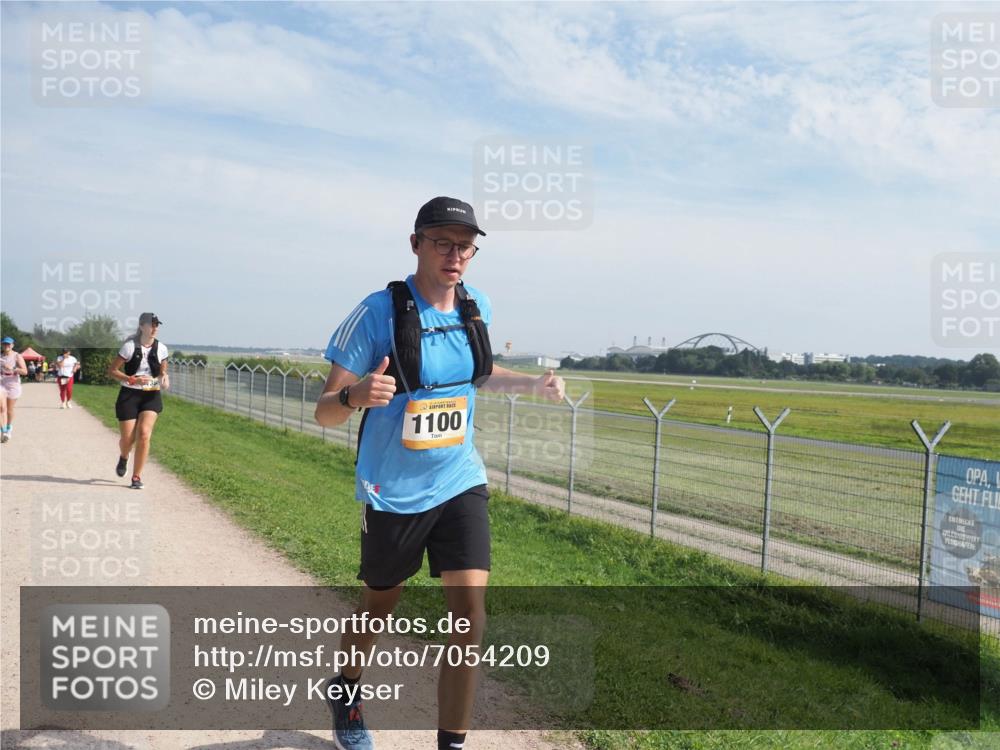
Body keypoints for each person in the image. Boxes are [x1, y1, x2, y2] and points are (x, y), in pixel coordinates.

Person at [315, 197, 565, 750]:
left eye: (466, 246)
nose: (456, 255)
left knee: (469, 617)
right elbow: (326, 408)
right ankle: (347, 688)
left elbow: (477, 372)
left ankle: (450, 743)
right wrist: (356, 396)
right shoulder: (376, 313)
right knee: (381, 602)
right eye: (443, 242)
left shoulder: (478, 308)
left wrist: (530, 385)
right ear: (416, 245)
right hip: (393, 488)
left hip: (459, 477)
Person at [106, 313, 170, 489]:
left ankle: (136, 477)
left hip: (151, 395)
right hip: (129, 395)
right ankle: (124, 457)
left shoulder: (162, 349)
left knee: (143, 434)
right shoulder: (129, 347)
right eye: (152, 325)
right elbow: (112, 371)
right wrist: (132, 379)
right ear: (142, 326)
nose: (155, 328)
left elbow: (163, 371)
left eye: (157, 325)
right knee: (127, 439)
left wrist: (164, 378)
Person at [0, 337, 27, 442]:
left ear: (12, 345)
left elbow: (25, 371)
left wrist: (13, 369)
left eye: (8, 344)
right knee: (1, 407)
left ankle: (8, 428)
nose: (6, 346)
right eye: (4, 344)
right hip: (2, 383)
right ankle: (3, 430)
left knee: (9, 409)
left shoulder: (17, 356)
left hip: (13, 384)